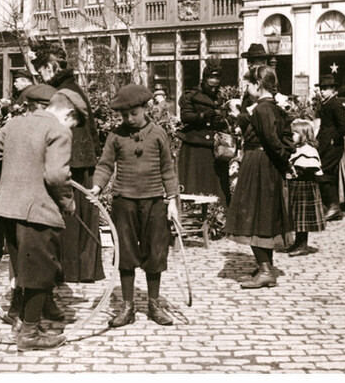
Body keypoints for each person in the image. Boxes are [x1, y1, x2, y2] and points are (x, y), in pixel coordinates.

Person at [0, 89, 88, 351]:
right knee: (40, 273)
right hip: (38, 211)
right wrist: (67, 203)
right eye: (74, 123)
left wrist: (9, 179)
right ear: (69, 113)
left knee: (24, 271)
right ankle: (30, 334)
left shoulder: (15, 123)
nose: (72, 128)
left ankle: (22, 322)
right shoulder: (60, 131)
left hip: (8, 210)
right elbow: (56, 177)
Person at [90, 84, 180, 327]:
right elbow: (106, 164)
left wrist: (172, 202)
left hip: (154, 202)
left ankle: (153, 304)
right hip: (124, 202)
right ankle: (127, 307)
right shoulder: (115, 136)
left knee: (155, 252)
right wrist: (97, 186)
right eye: (124, 115)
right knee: (125, 253)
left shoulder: (159, 133)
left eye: (134, 114)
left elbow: (168, 169)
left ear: (145, 108)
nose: (129, 119)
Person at [33, 42, 104, 292]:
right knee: (81, 217)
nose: (39, 75)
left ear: (51, 67)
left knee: (69, 217)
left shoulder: (59, 93)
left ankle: (68, 270)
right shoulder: (74, 89)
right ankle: (82, 270)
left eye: (41, 69)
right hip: (83, 161)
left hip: (67, 162)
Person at [224, 66, 295, 288]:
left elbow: (272, 141)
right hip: (266, 164)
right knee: (264, 215)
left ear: (258, 84)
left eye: (248, 84)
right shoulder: (272, 107)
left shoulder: (264, 108)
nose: (246, 88)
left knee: (253, 214)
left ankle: (265, 269)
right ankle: (265, 266)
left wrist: (284, 161)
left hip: (260, 164)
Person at [0, 82, 58, 326]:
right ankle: (19, 301)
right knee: (30, 257)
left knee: (31, 255)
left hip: (25, 200)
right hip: (31, 203)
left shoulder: (15, 125)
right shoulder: (45, 127)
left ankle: (42, 301)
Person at [177, 61, 232, 206]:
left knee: (215, 185)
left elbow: (228, 118)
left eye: (216, 86)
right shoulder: (191, 96)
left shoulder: (221, 97)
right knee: (194, 183)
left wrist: (223, 119)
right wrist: (201, 116)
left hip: (215, 147)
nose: (213, 90)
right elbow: (185, 116)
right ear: (204, 80)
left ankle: (217, 214)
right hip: (195, 145)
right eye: (210, 86)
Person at [285, 118, 326, 257]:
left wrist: (298, 172)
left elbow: (311, 168)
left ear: (304, 134)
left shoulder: (308, 150)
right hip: (296, 186)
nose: (292, 136)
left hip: (305, 187)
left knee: (302, 217)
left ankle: (302, 244)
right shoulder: (296, 149)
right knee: (296, 216)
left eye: (294, 133)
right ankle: (298, 242)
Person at [315, 73, 345, 221]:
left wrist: (333, 140)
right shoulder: (327, 103)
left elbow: (344, 127)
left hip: (333, 146)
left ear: (333, 89)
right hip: (325, 143)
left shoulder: (335, 104)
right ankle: (331, 207)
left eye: (325, 88)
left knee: (324, 173)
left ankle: (333, 207)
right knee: (324, 173)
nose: (322, 91)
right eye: (321, 88)